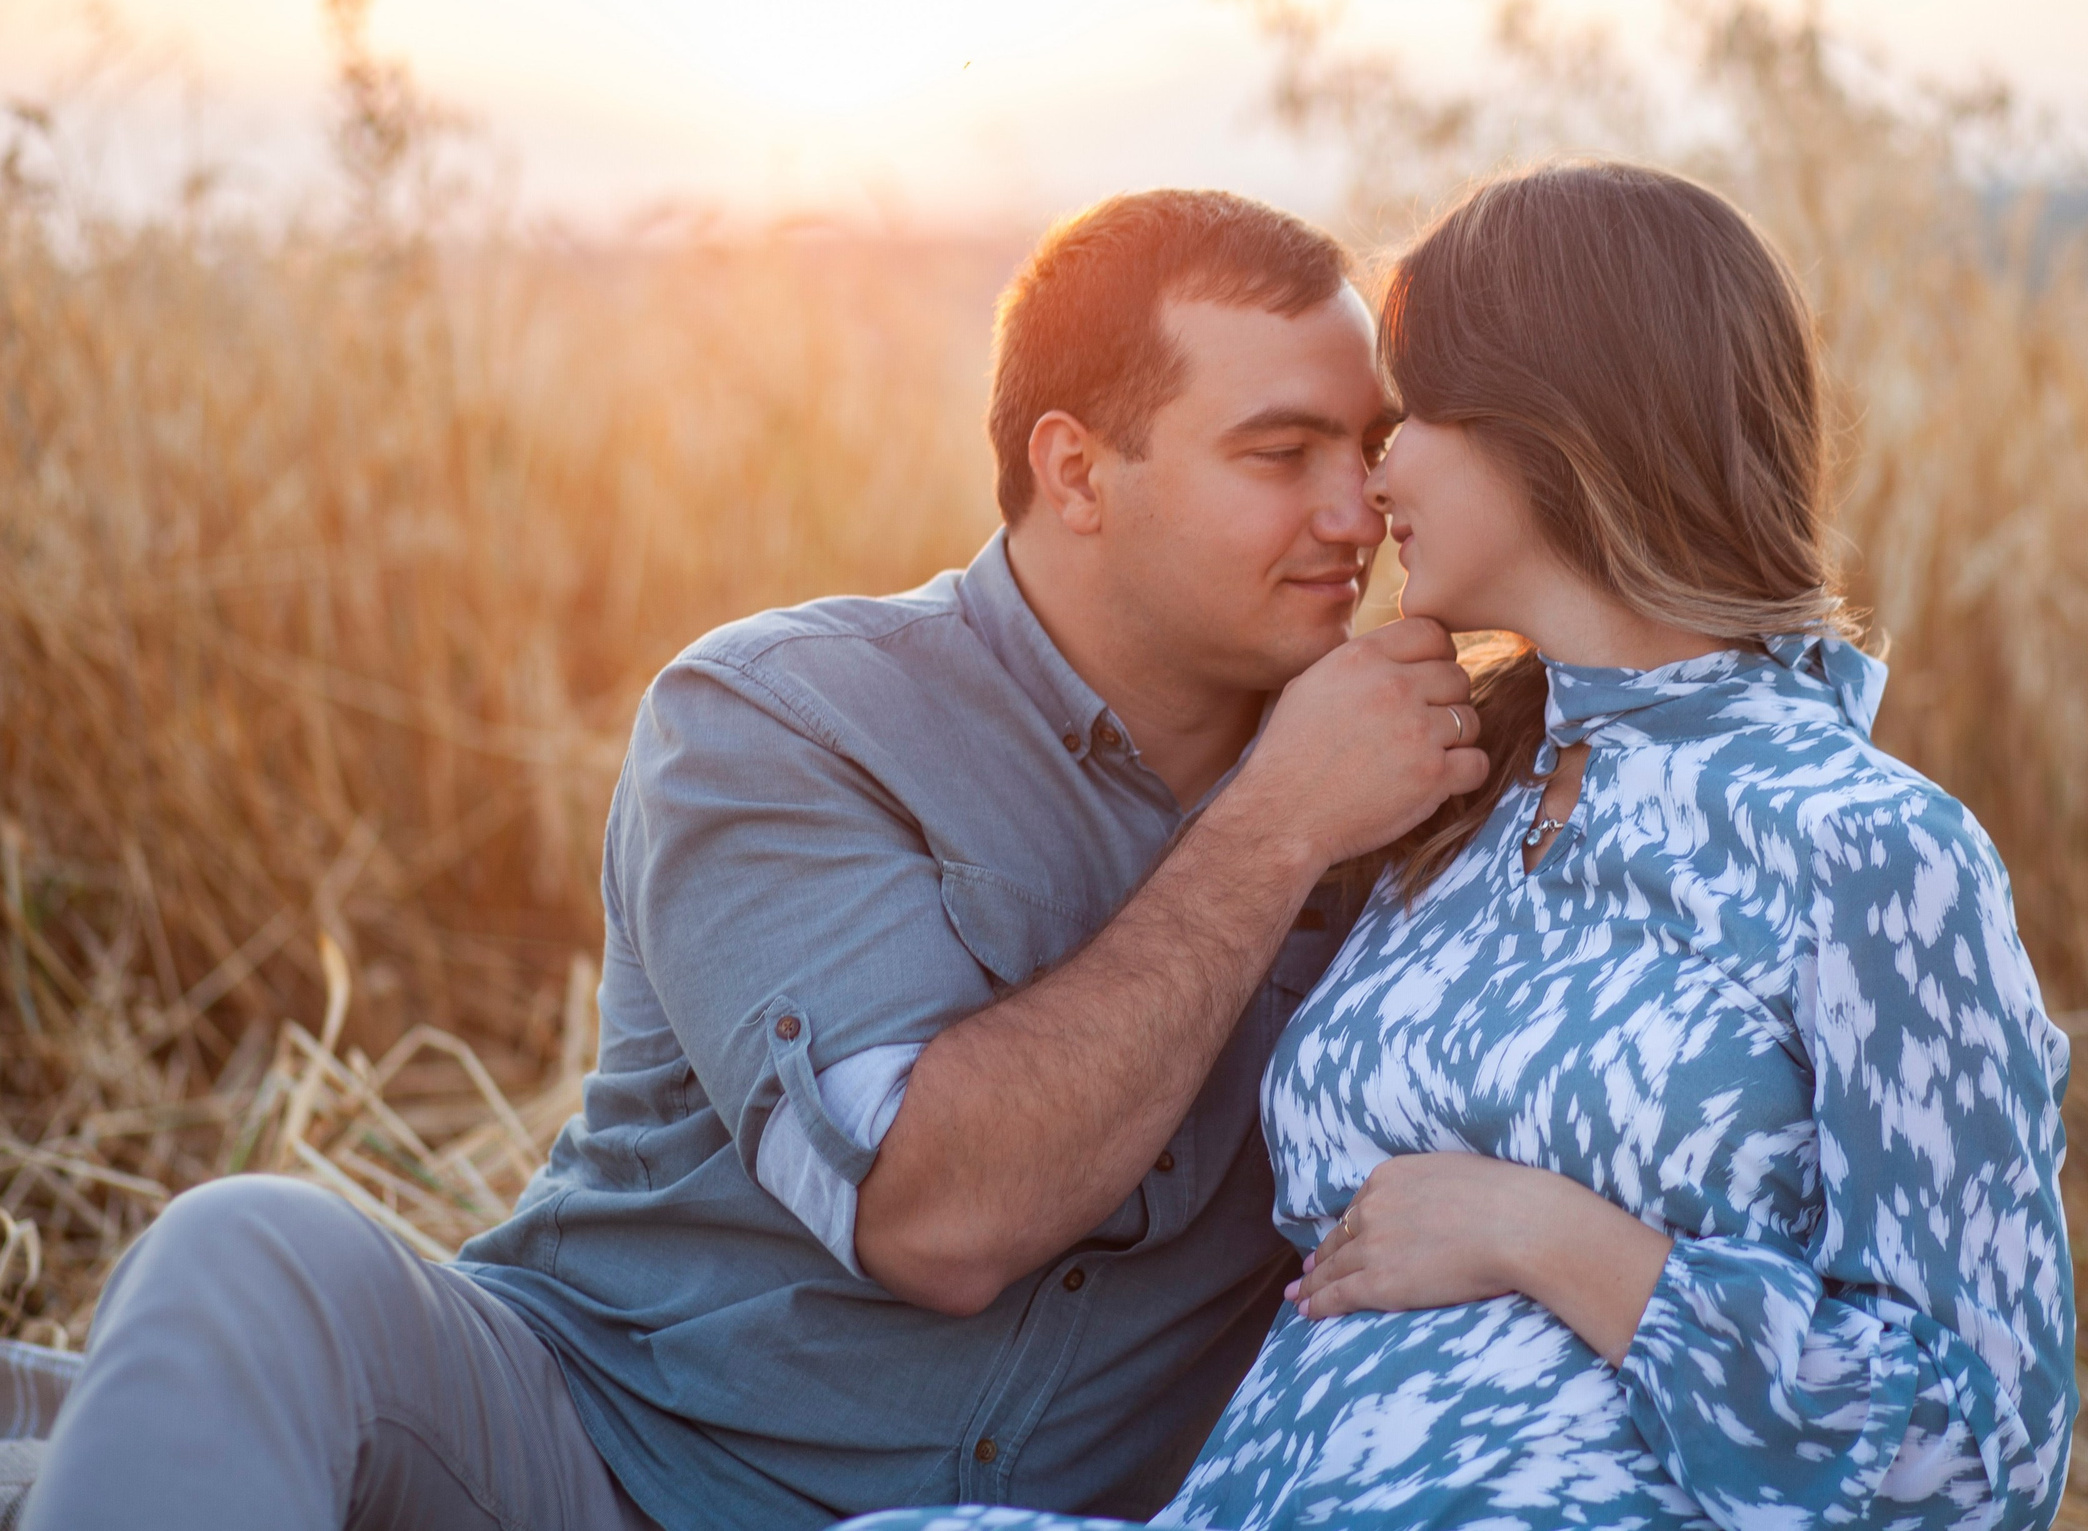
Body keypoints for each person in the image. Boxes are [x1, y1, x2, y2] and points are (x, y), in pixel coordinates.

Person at [21, 191, 1492, 1531]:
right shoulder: (783, 718)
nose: (1356, 517)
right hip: (584, 1463)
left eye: (1366, 453)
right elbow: (934, 1217)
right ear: (1078, 471)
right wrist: (1274, 829)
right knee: (255, 1259)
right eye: (1279, 453)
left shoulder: (1416, 786)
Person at [844, 160, 2078, 1531]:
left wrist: (1547, 1238)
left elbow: (1982, 1458)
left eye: (1408, 414)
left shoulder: (1874, 853)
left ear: (1557, 431)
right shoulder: (1438, 795)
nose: (1370, 481)